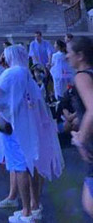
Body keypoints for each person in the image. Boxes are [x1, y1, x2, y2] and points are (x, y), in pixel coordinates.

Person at [0, 44, 63, 223]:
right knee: (32, 165)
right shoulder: (26, 73)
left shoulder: (10, 73)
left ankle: (26, 211)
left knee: (19, 167)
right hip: (29, 126)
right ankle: (34, 206)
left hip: (14, 127)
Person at [67, 36, 93, 218]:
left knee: (89, 204)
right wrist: (78, 118)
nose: (66, 56)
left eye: (69, 53)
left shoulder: (82, 77)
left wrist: (81, 140)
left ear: (80, 55)